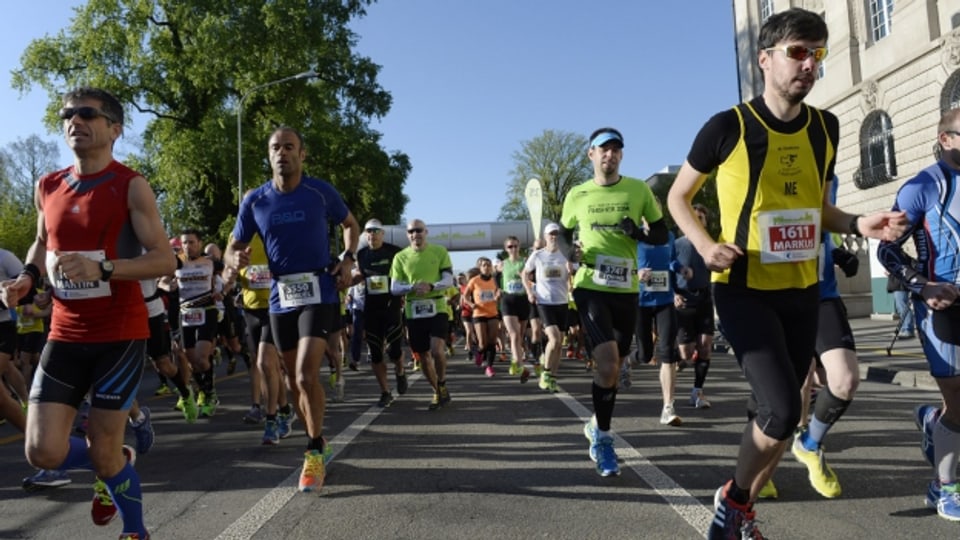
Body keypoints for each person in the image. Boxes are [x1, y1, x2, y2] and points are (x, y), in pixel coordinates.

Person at [665, 10, 906, 538]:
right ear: (765, 58)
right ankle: (734, 501)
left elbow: (821, 210)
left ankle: (742, 507)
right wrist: (705, 246)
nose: (809, 64)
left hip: (802, 291)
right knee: (778, 410)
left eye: (817, 53)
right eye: (798, 52)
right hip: (744, 290)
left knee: (779, 415)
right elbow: (677, 196)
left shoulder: (826, 126)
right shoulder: (727, 126)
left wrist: (859, 223)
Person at [0, 87, 176, 539]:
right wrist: (28, 278)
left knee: (102, 453)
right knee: (41, 451)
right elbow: (42, 243)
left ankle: (135, 530)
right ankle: (119, 460)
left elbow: (163, 260)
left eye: (86, 114)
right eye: (67, 115)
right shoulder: (48, 185)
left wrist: (106, 267)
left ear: (114, 129)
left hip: (118, 334)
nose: (74, 120)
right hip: (65, 333)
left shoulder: (130, 185)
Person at [226, 126, 359, 493]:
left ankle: (313, 451)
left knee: (303, 376)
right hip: (280, 291)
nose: (282, 153)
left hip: (319, 288)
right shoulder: (255, 200)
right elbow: (233, 245)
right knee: (290, 378)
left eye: (289, 147)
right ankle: (318, 438)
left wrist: (348, 259)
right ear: (268, 156)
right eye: (275, 147)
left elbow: (351, 225)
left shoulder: (319, 192)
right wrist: (230, 258)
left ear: (302, 154)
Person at [559, 127, 668, 477]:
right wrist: (567, 251)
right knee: (606, 365)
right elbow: (561, 233)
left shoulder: (638, 190)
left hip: (626, 287)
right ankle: (604, 440)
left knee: (617, 366)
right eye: (603, 150)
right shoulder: (576, 194)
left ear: (622, 155)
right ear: (591, 155)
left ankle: (595, 423)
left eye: (616, 150)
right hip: (591, 283)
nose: (610, 155)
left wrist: (637, 233)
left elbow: (662, 233)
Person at [877, 107, 960, 522]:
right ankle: (944, 488)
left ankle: (933, 422)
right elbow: (886, 249)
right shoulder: (923, 186)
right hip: (944, 304)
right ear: (946, 139)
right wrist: (922, 285)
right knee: (959, 398)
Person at [389, 219, 454, 409]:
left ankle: (441, 382)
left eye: (419, 230)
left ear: (426, 232)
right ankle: (437, 391)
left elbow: (448, 279)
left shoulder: (439, 251)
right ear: (407, 234)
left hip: (437, 305)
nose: (415, 234)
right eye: (411, 231)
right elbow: (394, 287)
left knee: (437, 350)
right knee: (423, 356)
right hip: (413, 309)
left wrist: (432, 286)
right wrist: (412, 287)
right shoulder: (400, 257)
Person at [352, 219, 408, 408]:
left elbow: (404, 274)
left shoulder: (394, 252)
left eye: (376, 231)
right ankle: (385, 391)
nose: (372, 235)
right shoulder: (361, 254)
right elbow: (360, 274)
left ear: (382, 234)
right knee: (376, 353)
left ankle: (400, 371)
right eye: (368, 231)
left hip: (391, 305)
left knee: (394, 351)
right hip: (371, 307)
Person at [634, 225, 686, 426]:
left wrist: (681, 269)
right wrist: (636, 273)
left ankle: (668, 406)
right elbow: (626, 262)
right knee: (645, 354)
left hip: (665, 300)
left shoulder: (668, 235)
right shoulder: (635, 235)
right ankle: (630, 362)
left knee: (667, 352)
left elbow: (671, 261)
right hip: (641, 301)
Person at [674, 204, 716, 409]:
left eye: (701, 217)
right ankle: (675, 354)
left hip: (704, 298)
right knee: (686, 353)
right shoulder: (677, 245)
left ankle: (697, 392)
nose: (698, 221)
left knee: (706, 346)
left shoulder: (711, 245)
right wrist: (673, 294)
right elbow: (666, 271)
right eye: (695, 217)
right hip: (683, 300)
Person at [522, 222, 570, 392]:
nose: (554, 236)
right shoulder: (538, 255)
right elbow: (524, 273)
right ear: (545, 237)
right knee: (554, 338)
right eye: (551, 234)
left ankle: (553, 378)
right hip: (544, 302)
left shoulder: (565, 255)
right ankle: (546, 373)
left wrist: (572, 273)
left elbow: (574, 273)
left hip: (562, 302)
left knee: (559, 344)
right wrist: (529, 291)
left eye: (556, 233)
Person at [500, 235, 532, 382]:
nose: (513, 249)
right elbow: (494, 279)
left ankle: (516, 358)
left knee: (519, 335)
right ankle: (519, 364)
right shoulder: (502, 264)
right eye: (510, 246)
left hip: (523, 300)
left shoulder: (525, 262)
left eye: (515, 246)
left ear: (519, 247)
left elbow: (532, 277)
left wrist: (524, 276)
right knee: (513, 334)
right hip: (508, 300)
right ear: (506, 249)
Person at [464, 257, 502, 377]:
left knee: (492, 341)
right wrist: (471, 304)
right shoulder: (474, 280)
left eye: (489, 265)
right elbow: (465, 296)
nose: (487, 267)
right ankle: (478, 352)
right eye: (484, 265)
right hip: (479, 314)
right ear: (480, 268)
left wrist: (497, 298)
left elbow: (497, 295)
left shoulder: (495, 280)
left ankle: (489, 367)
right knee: (482, 344)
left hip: (492, 313)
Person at [888, 273, 916, 339]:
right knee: (901, 307)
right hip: (899, 283)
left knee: (902, 307)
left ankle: (907, 329)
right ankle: (905, 329)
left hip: (900, 284)